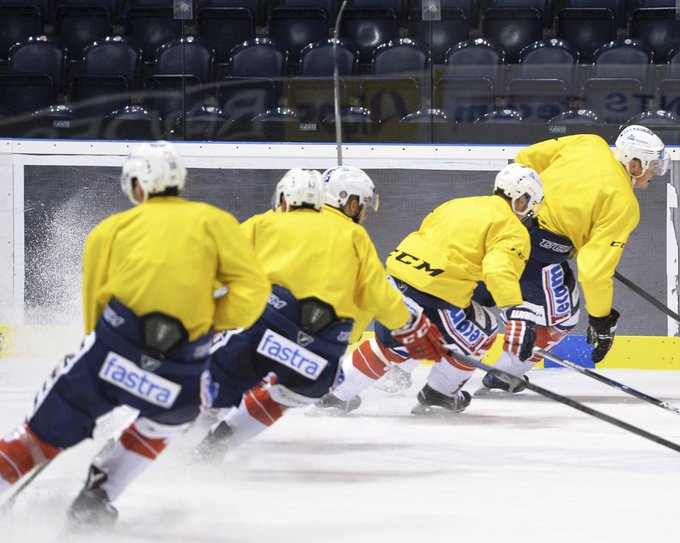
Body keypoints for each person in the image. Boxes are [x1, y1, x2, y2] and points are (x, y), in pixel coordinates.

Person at [0, 141, 271, 525]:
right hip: (181, 366)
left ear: (137, 185)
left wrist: (107, 361)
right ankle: (97, 497)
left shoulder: (110, 230)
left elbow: (96, 305)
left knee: (38, 437)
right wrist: (209, 322)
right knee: (170, 417)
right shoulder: (215, 222)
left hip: (110, 351)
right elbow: (253, 290)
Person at [192, 167, 445, 460]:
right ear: (349, 202)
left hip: (267, 323)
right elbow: (376, 296)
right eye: (362, 206)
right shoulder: (355, 236)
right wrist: (410, 326)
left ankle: (191, 416)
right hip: (324, 347)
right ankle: (220, 441)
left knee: (223, 371)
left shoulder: (268, 221)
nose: (363, 213)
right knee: (283, 395)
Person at [315, 163, 543, 414]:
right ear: (521, 200)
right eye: (530, 203)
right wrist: (515, 312)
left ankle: (335, 395)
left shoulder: (459, 203)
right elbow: (498, 270)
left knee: (388, 344)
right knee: (485, 329)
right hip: (433, 296)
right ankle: (440, 393)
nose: (530, 211)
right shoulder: (513, 228)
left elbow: (437, 239)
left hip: (395, 281)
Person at [476, 125, 668, 394]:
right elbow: (594, 273)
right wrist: (602, 320)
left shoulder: (589, 143)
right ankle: (503, 377)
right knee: (560, 319)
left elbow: (526, 159)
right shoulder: (624, 203)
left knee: (464, 295)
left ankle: (405, 362)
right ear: (635, 164)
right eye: (654, 166)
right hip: (534, 253)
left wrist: (543, 201)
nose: (656, 174)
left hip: (495, 227)